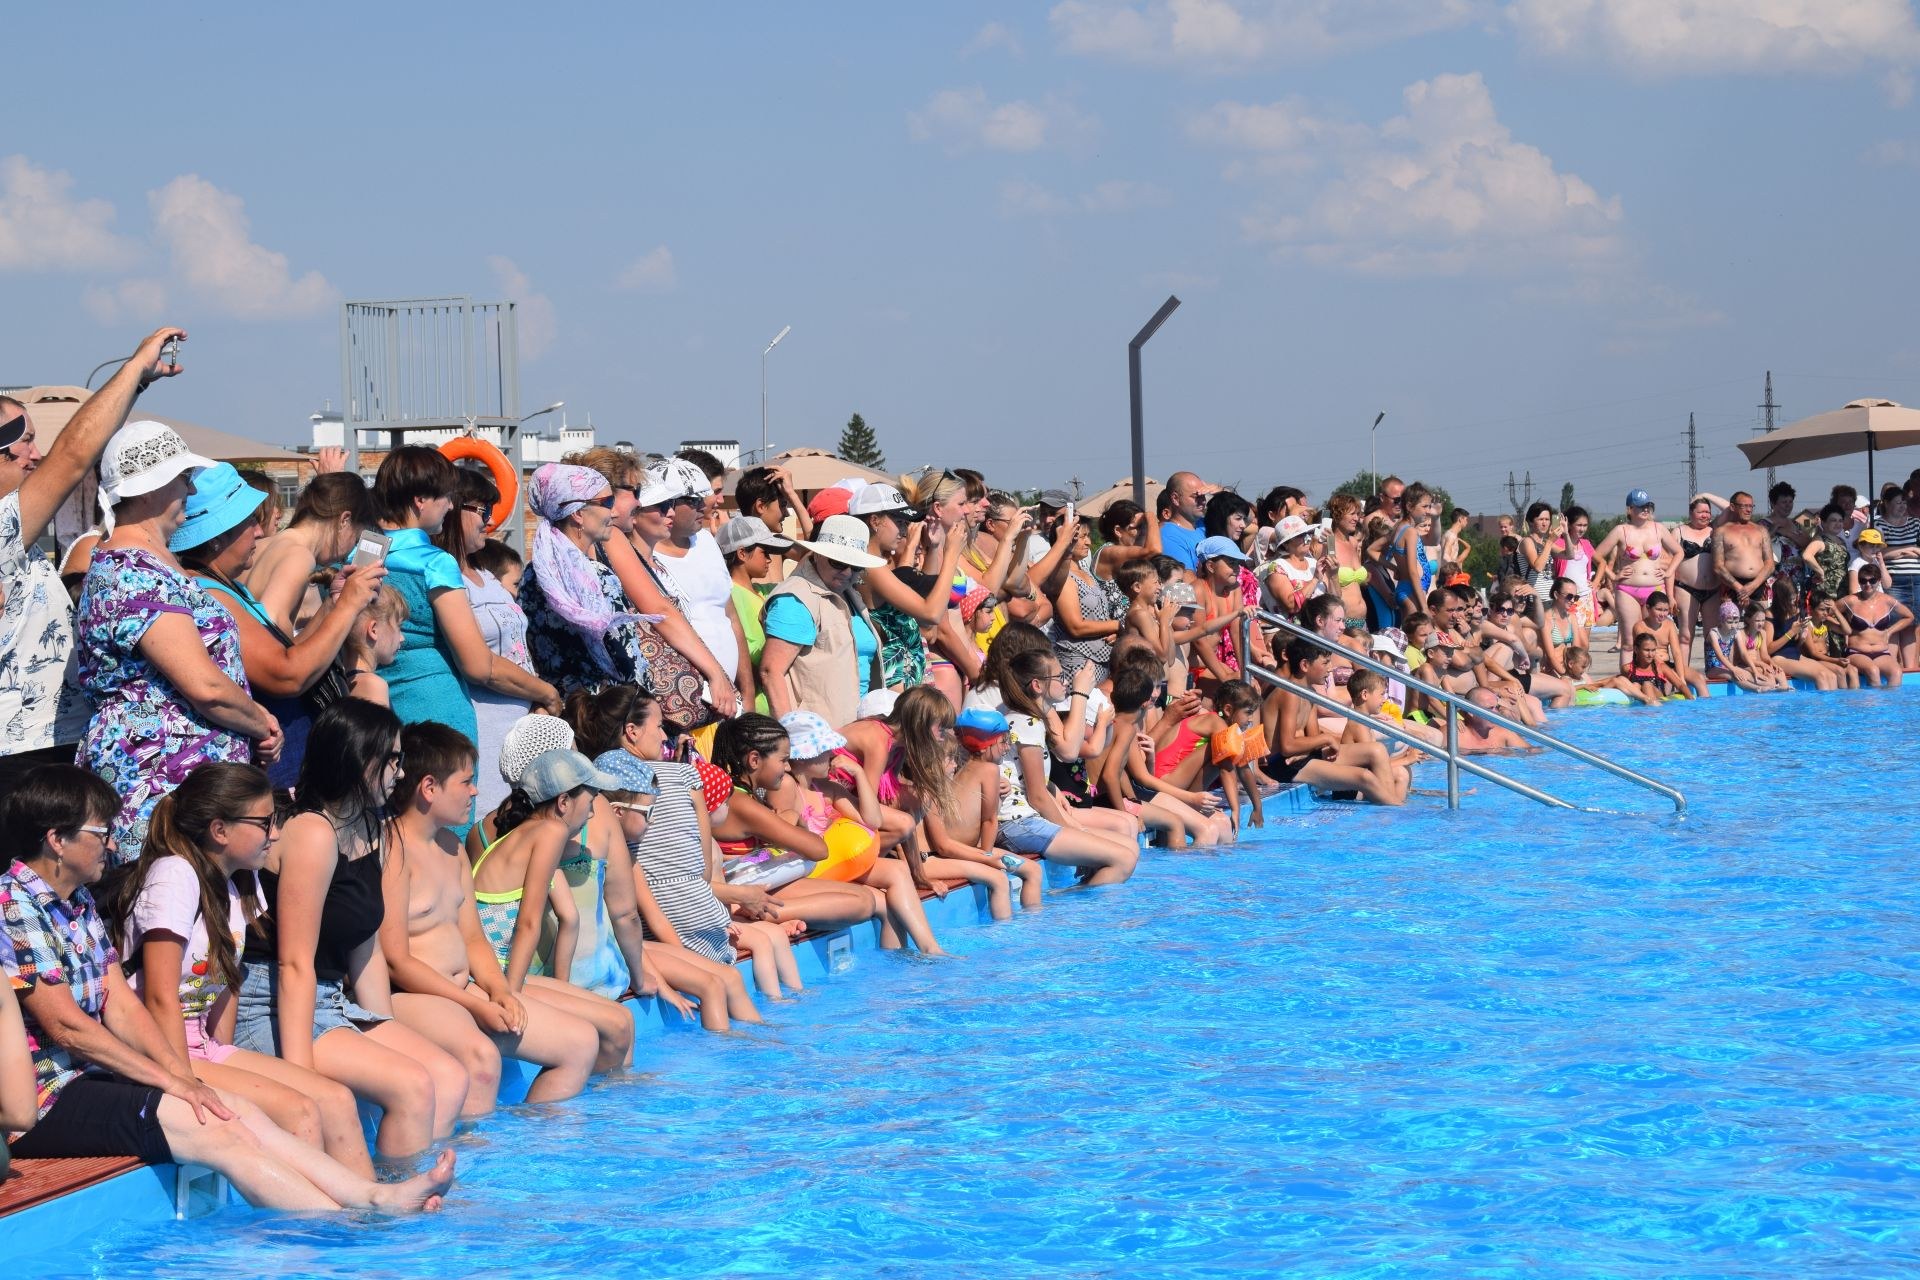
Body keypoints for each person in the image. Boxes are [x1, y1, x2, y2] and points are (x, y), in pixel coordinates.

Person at [0, 764, 455, 1211]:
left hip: (93, 1076)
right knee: (219, 1129)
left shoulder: (73, 902)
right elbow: (67, 1028)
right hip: (47, 1097)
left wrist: (178, 1078)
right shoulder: (14, 905)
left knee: (239, 1114)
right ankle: (340, 1234)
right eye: (101, 832)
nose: (113, 844)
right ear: (57, 840)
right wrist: (173, 1079)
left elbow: (119, 1003)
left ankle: (371, 1197)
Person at [97, 761, 377, 1175]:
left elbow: (228, 980)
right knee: (300, 1112)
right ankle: (304, 1235)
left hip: (198, 1047)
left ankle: (368, 1222)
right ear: (220, 830)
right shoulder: (174, 875)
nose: (276, 834)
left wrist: (223, 1059)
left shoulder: (232, 884)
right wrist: (185, 1083)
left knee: (335, 1099)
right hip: (157, 1052)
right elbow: (159, 996)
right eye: (265, 823)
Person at [233, 700, 473, 1157]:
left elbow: (367, 951)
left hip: (330, 1002)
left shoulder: (371, 830)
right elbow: (294, 962)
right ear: (364, 762)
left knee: (448, 1075)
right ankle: (390, 1207)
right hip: (272, 1005)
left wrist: (383, 1029)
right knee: (412, 1087)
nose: (401, 774)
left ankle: (407, 1185)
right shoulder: (311, 832)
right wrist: (300, 1072)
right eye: (394, 760)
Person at [77, 421, 282, 866]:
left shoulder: (154, 565)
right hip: (161, 792)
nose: (190, 488)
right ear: (151, 488)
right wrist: (260, 722)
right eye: (183, 478)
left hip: (189, 790)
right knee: (171, 917)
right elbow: (204, 686)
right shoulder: (131, 570)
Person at [0, 327, 185, 798]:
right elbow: (74, 454)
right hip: (27, 756)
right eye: (25, 441)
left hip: (42, 747)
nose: (37, 455)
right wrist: (135, 371)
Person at [380, 727, 611, 1102]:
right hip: (414, 995)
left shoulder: (452, 847)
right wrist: (476, 1004)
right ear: (428, 788)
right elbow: (395, 961)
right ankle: (473, 1157)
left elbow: (472, 938)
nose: (474, 791)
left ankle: (530, 1157)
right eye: (467, 781)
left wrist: (501, 990)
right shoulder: (393, 851)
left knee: (581, 1043)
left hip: (468, 987)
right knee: (483, 1059)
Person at [173, 463, 385, 792]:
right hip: (272, 776)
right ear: (218, 536)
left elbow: (285, 649)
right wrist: (349, 606)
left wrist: (332, 604)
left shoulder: (224, 587)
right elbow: (285, 674)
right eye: (248, 521)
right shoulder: (210, 594)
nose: (260, 531)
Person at [377, 447, 557, 752]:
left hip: (384, 709)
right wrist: (548, 693)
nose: (449, 506)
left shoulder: (366, 551)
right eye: (446, 497)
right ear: (420, 500)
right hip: (440, 712)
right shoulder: (434, 561)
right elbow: (478, 665)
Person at [770, 710, 950, 956]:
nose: (833, 754)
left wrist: (860, 774)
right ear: (803, 756)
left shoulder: (826, 789)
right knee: (879, 901)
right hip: (803, 875)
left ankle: (928, 950)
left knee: (896, 873)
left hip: (828, 866)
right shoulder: (787, 787)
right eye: (825, 750)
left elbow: (872, 820)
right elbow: (781, 835)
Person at [987, 646, 1138, 885]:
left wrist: (1071, 820)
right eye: (1059, 677)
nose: (1065, 681)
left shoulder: (1031, 717)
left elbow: (1035, 782)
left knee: (1129, 847)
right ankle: (1085, 916)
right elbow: (1037, 797)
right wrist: (1075, 829)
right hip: (1017, 824)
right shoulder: (1026, 722)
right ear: (1037, 686)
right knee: (1124, 859)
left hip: (1028, 819)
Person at [436, 465, 536, 817]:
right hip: (484, 728)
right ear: (452, 508)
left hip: (520, 726)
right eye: (481, 510)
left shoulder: (484, 575)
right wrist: (544, 693)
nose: (488, 521)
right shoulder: (441, 575)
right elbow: (480, 667)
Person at [520, 460, 654, 699]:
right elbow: (627, 657)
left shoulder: (532, 575)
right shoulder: (597, 578)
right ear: (578, 514)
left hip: (564, 709)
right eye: (607, 502)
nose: (613, 512)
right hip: (607, 712)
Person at [643, 458, 756, 718]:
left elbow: (730, 619)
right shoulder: (643, 557)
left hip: (729, 703)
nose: (705, 506)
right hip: (680, 711)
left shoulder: (706, 541)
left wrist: (747, 693)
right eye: (693, 500)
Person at [761, 514, 887, 727]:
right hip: (817, 737)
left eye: (856, 566)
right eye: (838, 562)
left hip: (853, 729)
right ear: (817, 554)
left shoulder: (846, 592)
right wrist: (794, 736)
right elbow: (771, 672)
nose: (847, 572)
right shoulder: (796, 599)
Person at [924, 708, 1044, 917]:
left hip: (970, 849)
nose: (1007, 747)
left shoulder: (966, 768)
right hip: (964, 851)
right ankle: (1010, 930)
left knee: (1033, 869)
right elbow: (988, 821)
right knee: (1006, 876)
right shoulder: (987, 770)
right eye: (1003, 741)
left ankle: (1030, 924)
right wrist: (985, 856)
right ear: (986, 744)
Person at [851, 481, 964, 695]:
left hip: (906, 682)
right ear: (875, 521)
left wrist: (935, 547)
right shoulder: (871, 567)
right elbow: (931, 613)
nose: (904, 530)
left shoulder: (875, 565)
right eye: (899, 521)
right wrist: (951, 555)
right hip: (897, 688)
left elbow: (923, 594)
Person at [1266, 640, 1410, 804]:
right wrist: (1326, 739)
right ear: (1305, 665)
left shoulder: (1309, 692)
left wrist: (1313, 746)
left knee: (1377, 750)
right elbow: (1287, 747)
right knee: (1364, 777)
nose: (1330, 668)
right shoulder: (1289, 693)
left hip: (1302, 757)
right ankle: (1396, 810)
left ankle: (1390, 808)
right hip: (1284, 766)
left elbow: (1312, 737)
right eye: (1326, 663)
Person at [243, 473, 378, 634]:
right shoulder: (299, 556)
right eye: (355, 539)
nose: (349, 551)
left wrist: (334, 603)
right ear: (344, 520)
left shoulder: (259, 545)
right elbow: (271, 629)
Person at [719, 515, 791, 714]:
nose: (769, 559)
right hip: (759, 708)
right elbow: (747, 656)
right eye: (765, 552)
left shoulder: (764, 590)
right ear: (742, 553)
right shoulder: (731, 594)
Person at [1594, 490, 1680, 650]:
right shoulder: (1621, 530)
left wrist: (1669, 572)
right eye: (1641, 507)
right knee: (1629, 640)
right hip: (1628, 589)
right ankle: (1630, 674)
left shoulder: (1658, 529)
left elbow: (1679, 552)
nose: (1646, 510)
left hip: (1654, 588)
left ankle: (1652, 673)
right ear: (1630, 509)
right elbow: (1597, 555)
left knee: (1653, 639)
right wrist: (1613, 575)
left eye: (1648, 506)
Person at [1838, 563, 1909, 688]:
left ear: (1879, 581)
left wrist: (1890, 631)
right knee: (1873, 671)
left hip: (1881, 652)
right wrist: (1844, 628)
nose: (1867, 584)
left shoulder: (1887, 600)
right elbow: (1826, 613)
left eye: (1872, 580)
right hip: (1857, 652)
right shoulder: (1851, 601)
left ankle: (1889, 705)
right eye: (1863, 581)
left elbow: (1909, 616)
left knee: (1897, 672)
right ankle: (1873, 707)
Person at [1671, 496, 1720, 661]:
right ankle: (1682, 674)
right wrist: (1669, 596)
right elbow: (1668, 566)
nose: (1705, 515)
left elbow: (1730, 508)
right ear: (1691, 513)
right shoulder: (1678, 532)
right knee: (1685, 634)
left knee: (1712, 634)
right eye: (1701, 512)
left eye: (1708, 511)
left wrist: (1708, 495)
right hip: (1685, 588)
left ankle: (1714, 671)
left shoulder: (1715, 530)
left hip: (1713, 590)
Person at [1710, 491, 1774, 612]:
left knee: (1761, 625)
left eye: (1751, 506)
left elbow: (1770, 563)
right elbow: (1718, 566)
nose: (1749, 510)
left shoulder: (1761, 530)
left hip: (1759, 585)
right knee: (1730, 626)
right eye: (1744, 506)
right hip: (1731, 586)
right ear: (1733, 507)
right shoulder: (1721, 531)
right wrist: (1739, 588)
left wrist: (1753, 585)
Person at [1157, 471, 1208, 572]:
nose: (1203, 501)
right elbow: (1186, 582)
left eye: (1203, 496)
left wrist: (1222, 494)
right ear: (1175, 498)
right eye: (1196, 496)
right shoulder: (1168, 535)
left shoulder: (1206, 523)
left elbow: (1247, 523)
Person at [1622, 630, 1689, 702]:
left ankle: (1652, 709)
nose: (1650, 655)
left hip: (1659, 701)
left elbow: (1680, 685)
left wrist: (1691, 700)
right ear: (1636, 649)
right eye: (1647, 650)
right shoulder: (1628, 668)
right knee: (1635, 685)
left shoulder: (1661, 667)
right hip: (1640, 703)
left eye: (1653, 650)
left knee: (1647, 684)